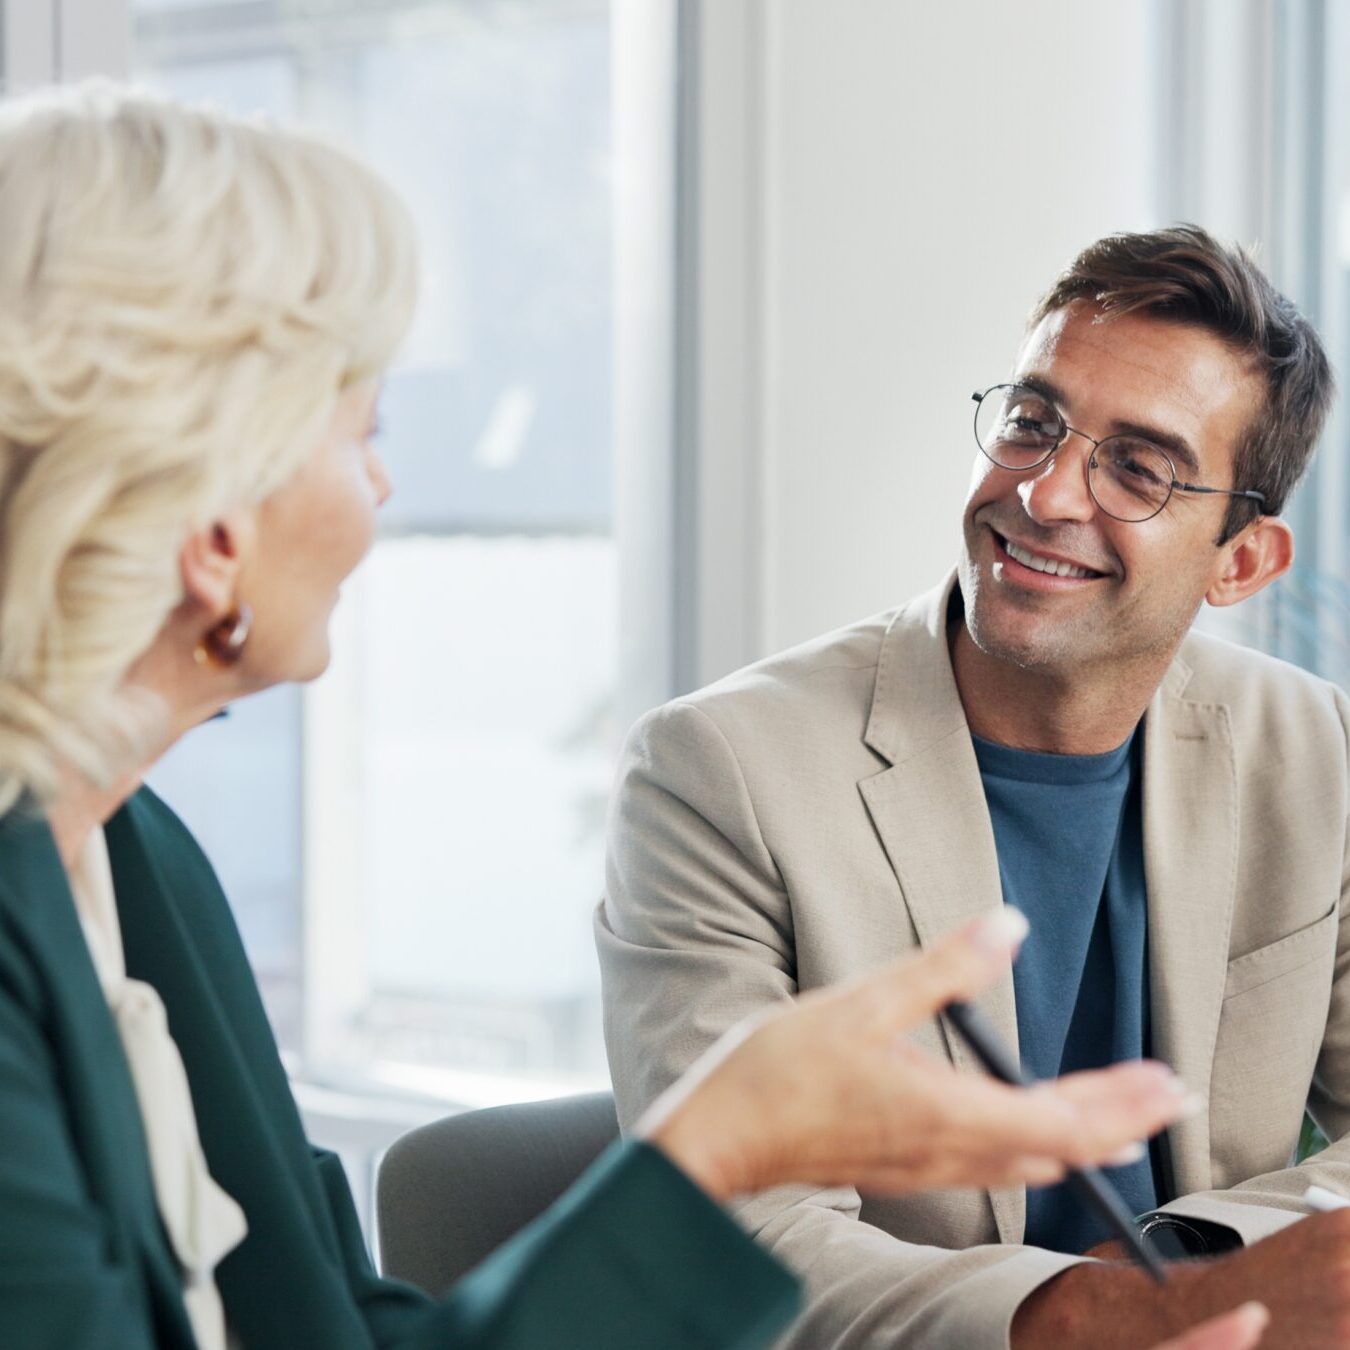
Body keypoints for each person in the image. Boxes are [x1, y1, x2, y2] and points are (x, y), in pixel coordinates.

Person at [0, 83, 1224, 1350]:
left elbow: (342, 1335)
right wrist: (719, 1148)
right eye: (361, 425)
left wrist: (728, 1136)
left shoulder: (141, 864)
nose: (381, 482)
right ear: (211, 525)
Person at [597, 223, 1350, 1348]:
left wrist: (1187, 1266)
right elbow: (733, 1241)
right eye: (1033, 422)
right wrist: (1091, 1318)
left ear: (1240, 564)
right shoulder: (719, 774)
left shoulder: (1317, 746)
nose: (1046, 494)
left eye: (1137, 468)